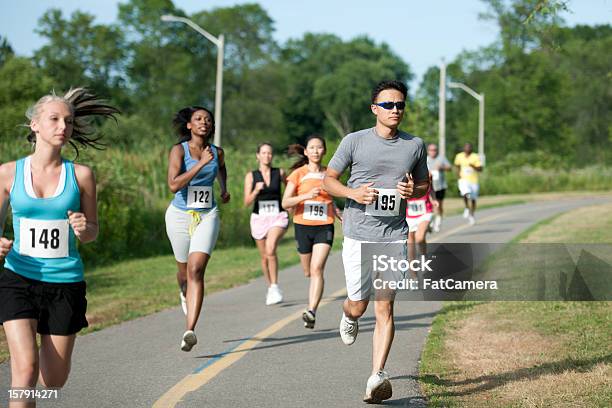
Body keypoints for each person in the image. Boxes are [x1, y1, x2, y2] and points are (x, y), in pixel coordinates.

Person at [0, 88, 118, 407]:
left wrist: (84, 228)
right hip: (18, 279)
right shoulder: (8, 173)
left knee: (53, 380)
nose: (62, 126)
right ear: (35, 125)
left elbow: (92, 231)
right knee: (24, 370)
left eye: (68, 120)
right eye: (54, 119)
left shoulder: (81, 175)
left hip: (64, 284)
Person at [323, 80, 429, 403]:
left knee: (385, 305)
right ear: (374, 109)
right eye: (388, 105)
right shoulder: (354, 142)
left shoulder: (415, 145)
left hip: (394, 235)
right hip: (358, 233)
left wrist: (415, 192)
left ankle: (377, 376)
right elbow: (329, 180)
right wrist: (353, 193)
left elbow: (425, 184)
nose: (395, 110)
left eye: (400, 105)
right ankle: (349, 315)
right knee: (359, 304)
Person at [165, 106, 230, 352]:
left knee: (196, 269)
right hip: (179, 216)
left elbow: (221, 167)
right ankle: (184, 292)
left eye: (208, 120)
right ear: (189, 126)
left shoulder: (217, 152)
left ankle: (189, 329)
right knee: (184, 272)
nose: (204, 122)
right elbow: (173, 185)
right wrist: (201, 164)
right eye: (199, 119)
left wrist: (223, 188)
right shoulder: (178, 151)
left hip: (207, 214)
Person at [282, 135, 341, 329]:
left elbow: (332, 196)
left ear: (324, 151)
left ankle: (312, 310)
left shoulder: (330, 174)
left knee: (317, 269)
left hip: (325, 225)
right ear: (306, 152)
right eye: (312, 148)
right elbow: (285, 202)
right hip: (302, 225)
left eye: (319, 147)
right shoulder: (298, 174)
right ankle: (312, 303)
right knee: (308, 271)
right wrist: (307, 195)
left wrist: (336, 209)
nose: (316, 151)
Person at [243, 143, 288, 305]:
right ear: (258, 155)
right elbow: (246, 202)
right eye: (264, 153)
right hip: (259, 218)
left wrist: (292, 204)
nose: (267, 156)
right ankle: (271, 288)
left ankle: (275, 286)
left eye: (269, 153)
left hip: (278, 216)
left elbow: (291, 188)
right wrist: (255, 191)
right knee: (264, 257)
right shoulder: (251, 176)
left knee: (270, 249)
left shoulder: (280, 172)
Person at [454, 142, 482, 225]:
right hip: (463, 179)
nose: (468, 149)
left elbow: (480, 169)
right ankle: (466, 207)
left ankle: (472, 215)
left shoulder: (475, 156)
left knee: (473, 199)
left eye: (469, 147)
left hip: (473, 180)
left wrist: (473, 166)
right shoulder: (459, 156)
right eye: (466, 147)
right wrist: (458, 175)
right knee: (465, 193)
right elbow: (457, 166)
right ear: (464, 148)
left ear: (471, 148)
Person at [426, 143, 451, 232]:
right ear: (428, 151)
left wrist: (442, 167)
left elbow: (449, 168)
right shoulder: (426, 159)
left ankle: (439, 220)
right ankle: (431, 221)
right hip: (429, 186)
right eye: (431, 150)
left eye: (435, 150)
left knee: (439, 205)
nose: (433, 152)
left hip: (440, 186)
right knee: (430, 204)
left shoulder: (441, 158)